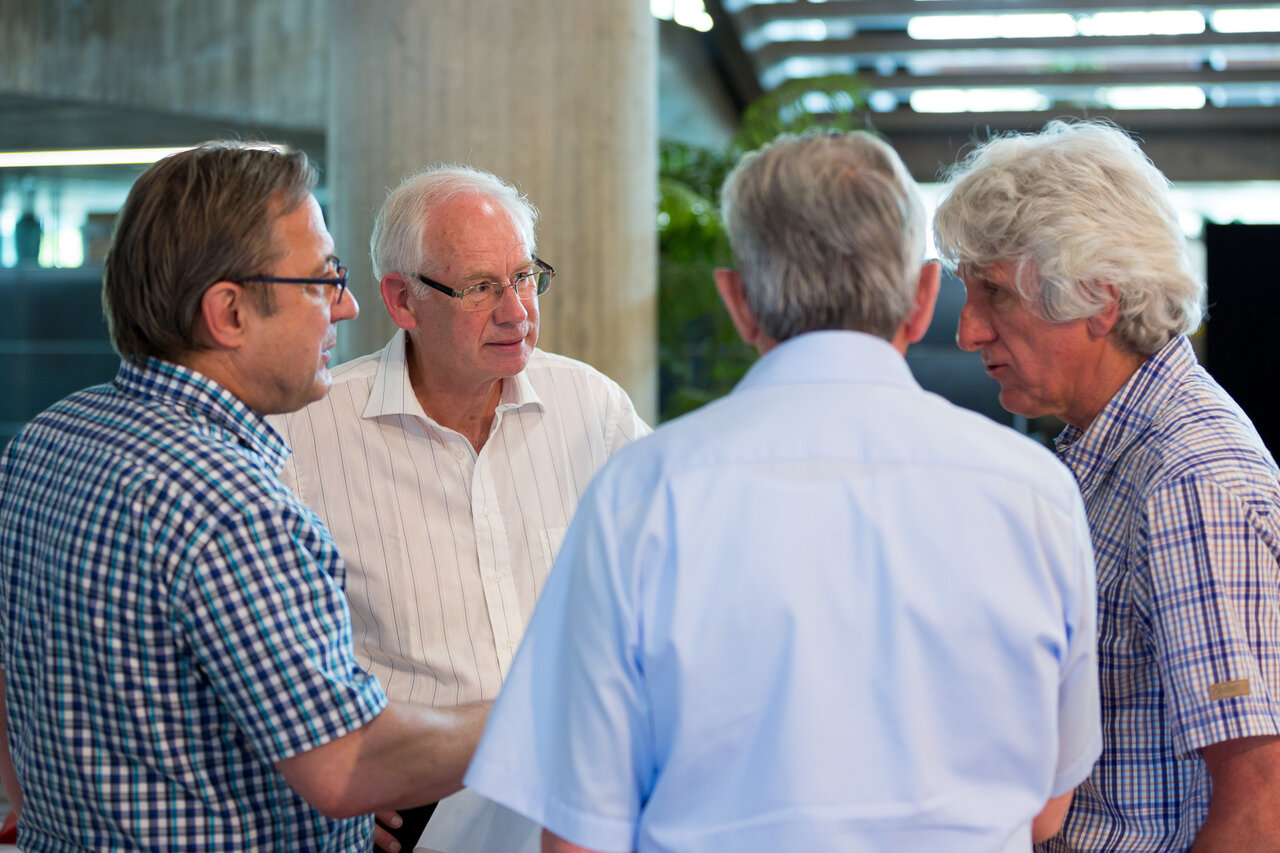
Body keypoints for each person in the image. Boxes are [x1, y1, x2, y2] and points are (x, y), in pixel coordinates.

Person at [463, 130, 1102, 853]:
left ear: (738, 301)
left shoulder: (641, 496)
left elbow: (578, 836)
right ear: (925, 297)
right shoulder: (1037, 494)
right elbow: (1046, 807)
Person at [0, 142, 488, 850]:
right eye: (322, 280)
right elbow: (348, 765)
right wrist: (546, 712)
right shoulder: (232, 506)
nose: (346, 306)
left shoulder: (48, 440)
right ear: (228, 313)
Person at [269, 164, 649, 850]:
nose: (517, 311)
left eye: (524, 276)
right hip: (414, 818)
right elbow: (259, 654)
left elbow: (667, 586)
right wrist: (319, 784)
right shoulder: (306, 434)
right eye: (480, 288)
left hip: (572, 807)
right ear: (402, 300)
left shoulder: (592, 407)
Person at [933, 118, 1280, 851]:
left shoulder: (1189, 481)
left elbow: (1262, 803)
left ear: (1099, 297)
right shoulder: (1110, 451)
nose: (968, 331)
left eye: (994, 293)